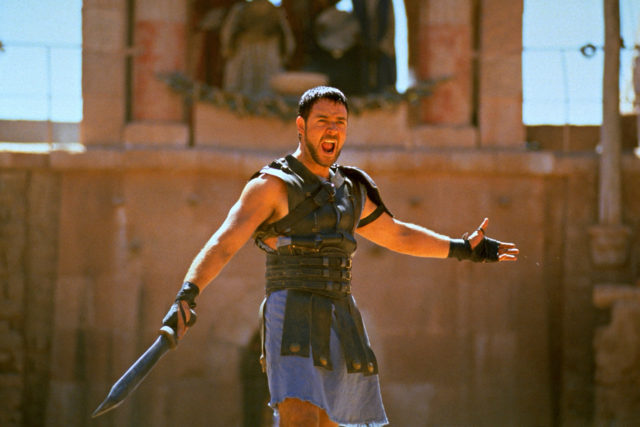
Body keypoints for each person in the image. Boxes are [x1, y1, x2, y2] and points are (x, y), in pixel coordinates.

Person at [162, 86, 519, 426]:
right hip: (291, 312)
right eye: (323, 121)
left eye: (340, 123)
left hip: (340, 312)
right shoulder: (270, 186)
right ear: (301, 126)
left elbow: (398, 234)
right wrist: (188, 294)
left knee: (329, 423)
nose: (332, 129)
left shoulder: (351, 190)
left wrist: (463, 249)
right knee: (299, 419)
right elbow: (225, 241)